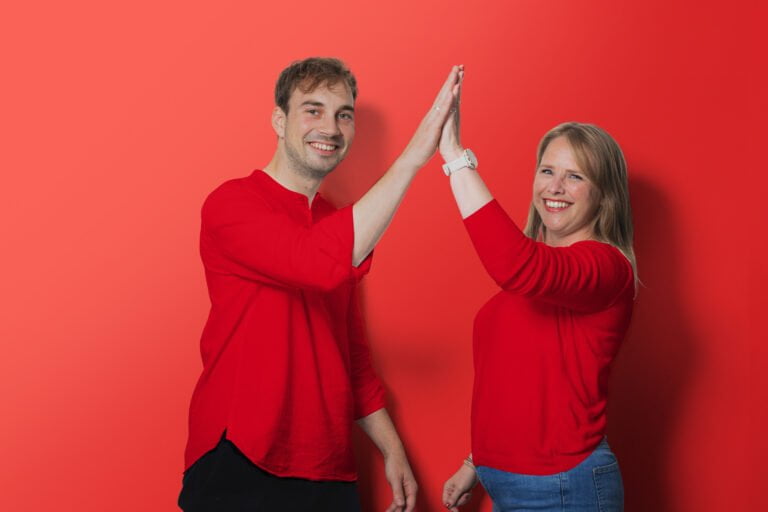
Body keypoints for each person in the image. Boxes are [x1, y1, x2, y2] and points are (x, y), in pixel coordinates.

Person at [178, 58, 461, 512]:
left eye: (343, 114)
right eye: (313, 110)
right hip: (241, 456)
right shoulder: (231, 204)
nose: (330, 127)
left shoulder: (338, 223)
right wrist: (415, 154)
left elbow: (349, 354)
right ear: (279, 119)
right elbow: (313, 263)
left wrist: (392, 450)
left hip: (329, 469)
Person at [440, 68, 636, 511]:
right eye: (548, 170)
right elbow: (526, 381)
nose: (555, 187)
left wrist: (454, 156)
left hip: (564, 487)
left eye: (575, 177)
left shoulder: (607, 268)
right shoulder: (537, 274)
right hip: (507, 483)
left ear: (604, 196)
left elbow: (515, 266)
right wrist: (475, 463)